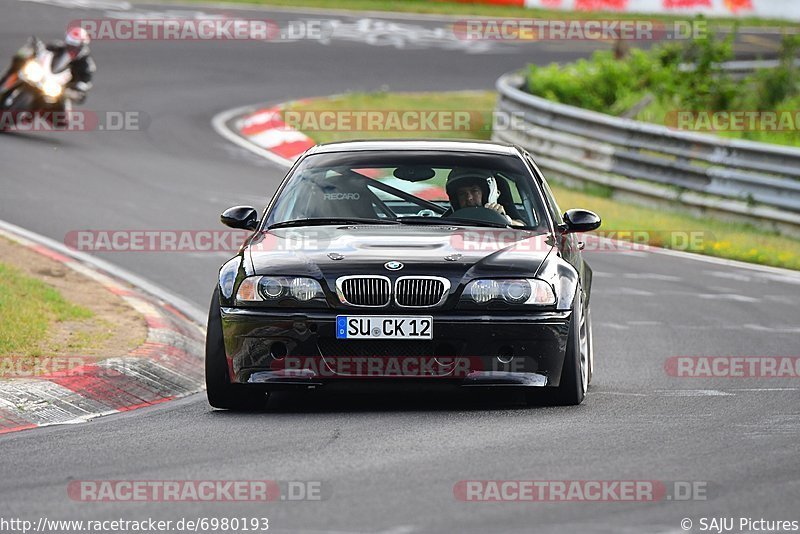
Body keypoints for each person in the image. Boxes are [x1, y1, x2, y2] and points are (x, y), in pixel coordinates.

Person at [0, 27, 95, 105]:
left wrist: (77, 90)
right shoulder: (57, 46)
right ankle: (3, 87)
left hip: (60, 88)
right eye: (70, 45)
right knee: (19, 64)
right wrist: (36, 47)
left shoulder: (86, 64)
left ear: (82, 46)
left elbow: (85, 82)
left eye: (75, 47)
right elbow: (41, 51)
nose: (71, 49)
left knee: (63, 119)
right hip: (42, 76)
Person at [445, 168, 525, 226]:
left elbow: (523, 227)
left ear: (487, 194)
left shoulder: (502, 213)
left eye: (474, 191)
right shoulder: (447, 221)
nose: (469, 198)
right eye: (462, 194)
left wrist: (504, 219)